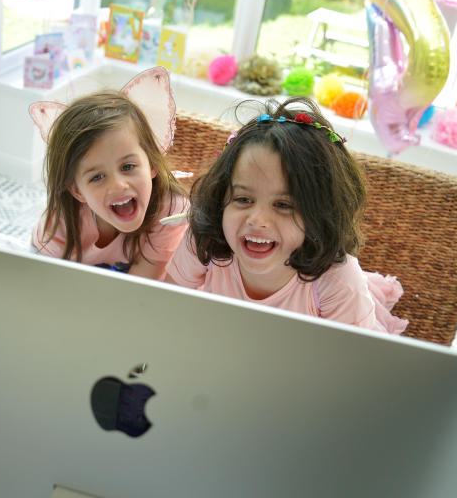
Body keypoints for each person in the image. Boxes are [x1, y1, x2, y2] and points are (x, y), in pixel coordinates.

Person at [165, 96, 407, 334]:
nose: (257, 219)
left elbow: (347, 366)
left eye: (283, 205)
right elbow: (165, 309)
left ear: (320, 215)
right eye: (243, 199)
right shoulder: (205, 239)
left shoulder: (338, 283)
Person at [29, 67, 188, 280]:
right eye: (97, 177)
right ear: (78, 191)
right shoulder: (61, 220)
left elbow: (138, 290)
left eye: (128, 167)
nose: (118, 185)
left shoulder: (170, 212)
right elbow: (45, 281)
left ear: (151, 163)